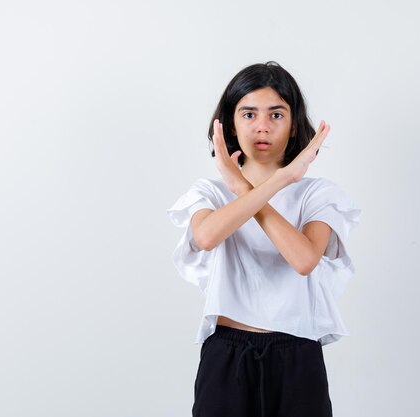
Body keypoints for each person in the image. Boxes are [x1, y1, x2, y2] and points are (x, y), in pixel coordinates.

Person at [166, 61, 361, 417]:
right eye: (248, 113)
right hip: (226, 355)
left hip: (297, 354)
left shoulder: (317, 194)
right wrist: (274, 181)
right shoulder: (208, 192)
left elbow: (303, 260)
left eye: (276, 114)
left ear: (293, 122)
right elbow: (207, 236)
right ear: (227, 123)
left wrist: (244, 186)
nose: (262, 126)